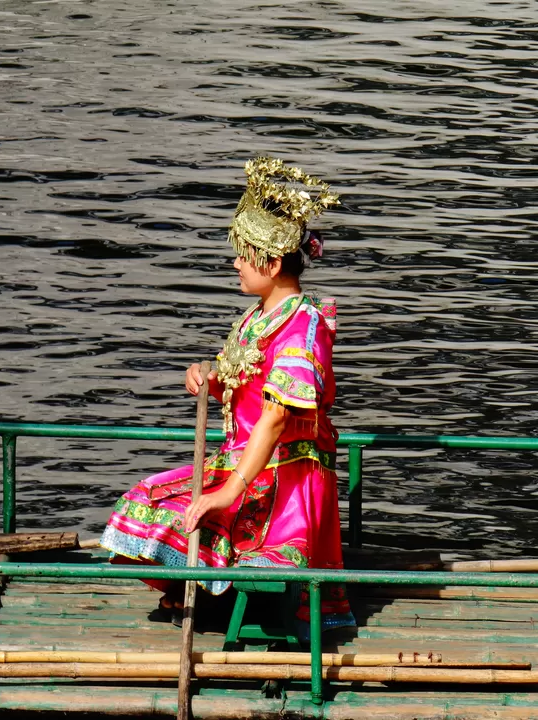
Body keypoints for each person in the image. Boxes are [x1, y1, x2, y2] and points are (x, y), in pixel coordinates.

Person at [100, 156, 354, 635]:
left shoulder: (304, 325)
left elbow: (276, 419)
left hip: (285, 477)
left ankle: (222, 600)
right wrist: (206, 377)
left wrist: (230, 489)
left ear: (273, 263)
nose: (236, 263)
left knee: (195, 515)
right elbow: (243, 383)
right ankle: (201, 592)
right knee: (143, 502)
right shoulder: (255, 318)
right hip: (242, 460)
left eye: (244, 253)